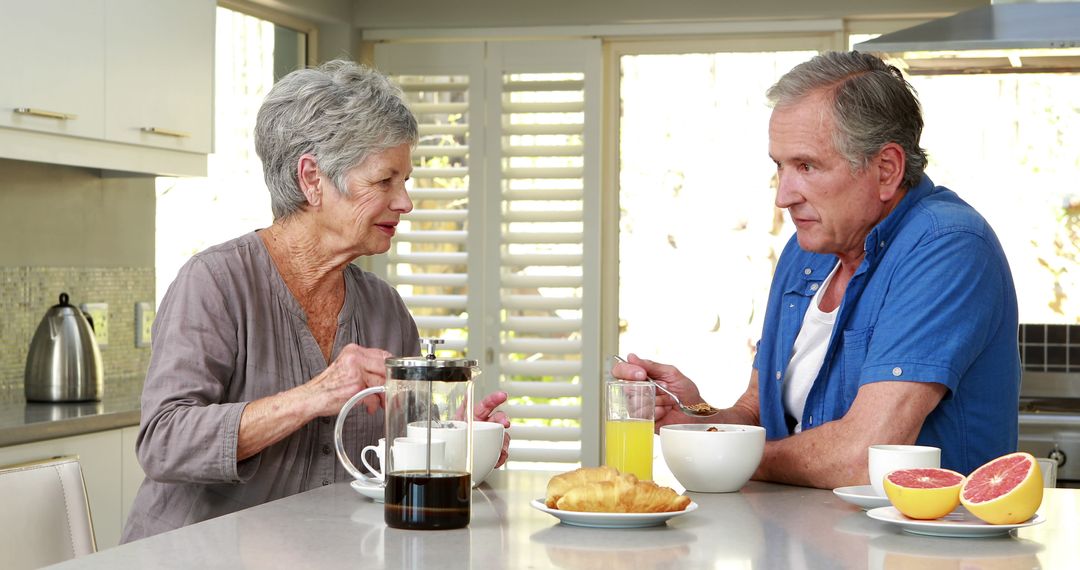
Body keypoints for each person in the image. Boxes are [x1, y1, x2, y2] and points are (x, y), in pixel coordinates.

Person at [122, 61, 510, 542]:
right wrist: (313, 396)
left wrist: (454, 438)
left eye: (404, 180)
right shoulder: (215, 283)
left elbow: (402, 456)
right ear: (312, 179)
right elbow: (164, 441)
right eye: (385, 180)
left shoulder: (384, 309)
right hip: (192, 554)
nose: (405, 201)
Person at [613, 51, 1019, 489]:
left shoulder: (947, 246)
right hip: (804, 540)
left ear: (886, 170)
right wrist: (696, 418)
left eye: (806, 166)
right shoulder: (807, 251)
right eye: (779, 166)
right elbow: (756, 410)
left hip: (921, 552)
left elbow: (861, 457)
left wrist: (728, 457)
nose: (783, 196)